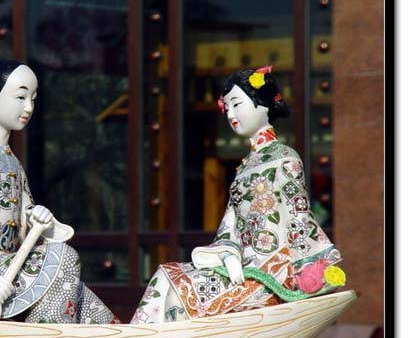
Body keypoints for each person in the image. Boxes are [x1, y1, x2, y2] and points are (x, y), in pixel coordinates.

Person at [131, 66, 344, 324]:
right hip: (240, 265)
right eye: (227, 108)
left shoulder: (285, 159)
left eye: (236, 104)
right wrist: (228, 255)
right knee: (165, 274)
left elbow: (299, 217)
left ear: (263, 104)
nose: (231, 114)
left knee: (181, 291)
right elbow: (230, 221)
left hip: (272, 272)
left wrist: (310, 270)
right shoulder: (245, 166)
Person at [0, 59, 119, 324]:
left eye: (33, 99)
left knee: (89, 306)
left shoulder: (13, 162)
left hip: (12, 268)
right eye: (21, 97)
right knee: (65, 258)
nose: (29, 108)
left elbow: (26, 225)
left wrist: (37, 218)